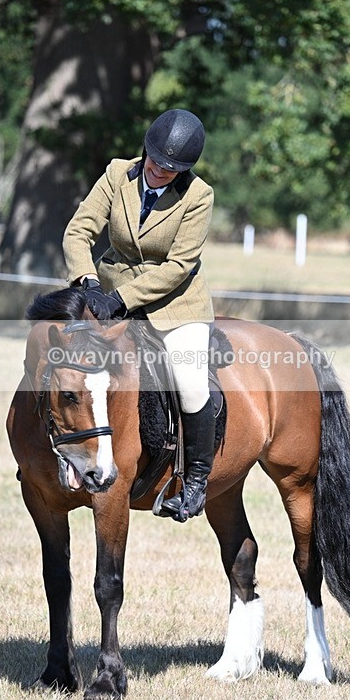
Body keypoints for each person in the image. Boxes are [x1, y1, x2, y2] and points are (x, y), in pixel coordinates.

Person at [63, 109, 215, 522]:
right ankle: (57, 453)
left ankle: (196, 482)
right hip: (105, 294)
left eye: (170, 170)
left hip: (175, 305)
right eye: (155, 163)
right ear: (145, 150)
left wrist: (124, 298)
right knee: (65, 362)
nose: (160, 172)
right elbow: (79, 231)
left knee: (190, 383)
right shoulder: (116, 174)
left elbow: (179, 266)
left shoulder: (199, 195)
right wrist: (87, 282)